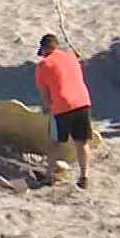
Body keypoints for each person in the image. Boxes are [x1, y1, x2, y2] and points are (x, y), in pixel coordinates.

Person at [35, 34, 94, 189]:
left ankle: (49, 176)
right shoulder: (71, 58)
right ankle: (84, 177)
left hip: (62, 106)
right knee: (82, 142)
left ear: (44, 49)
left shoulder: (43, 65)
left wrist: (47, 108)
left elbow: (45, 94)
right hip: (82, 102)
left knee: (55, 142)